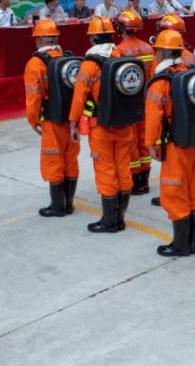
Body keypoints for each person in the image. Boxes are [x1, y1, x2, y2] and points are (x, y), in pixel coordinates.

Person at [144, 30, 195, 256]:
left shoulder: (159, 82)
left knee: (174, 192)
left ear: (160, 52)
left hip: (174, 146)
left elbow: (152, 118)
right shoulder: (192, 75)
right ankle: (193, 243)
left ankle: (180, 245)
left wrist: (150, 144)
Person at [69, 18, 133, 233]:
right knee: (123, 167)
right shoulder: (123, 58)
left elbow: (79, 97)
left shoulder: (89, 65)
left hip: (101, 127)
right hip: (124, 125)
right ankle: (121, 217)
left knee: (105, 169)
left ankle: (109, 220)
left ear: (92, 37)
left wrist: (72, 123)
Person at [24, 20, 78, 217]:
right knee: (71, 160)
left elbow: (33, 97)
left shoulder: (35, 64)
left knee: (53, 160)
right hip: (71, 120)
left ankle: (57, 206)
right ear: (56, 38)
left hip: (51, 121)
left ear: (38, 39)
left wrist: (33, 121)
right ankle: (69, 204)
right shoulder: (67, 60)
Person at [114, 10, 155, 195]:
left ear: (120, 28)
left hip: (129, 102)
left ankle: (136, 179)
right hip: (146, 101)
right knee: (144, 140)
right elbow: (154, 77)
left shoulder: (119, 51)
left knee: (130, 142)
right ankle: (145, 179)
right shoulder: (148, 48)